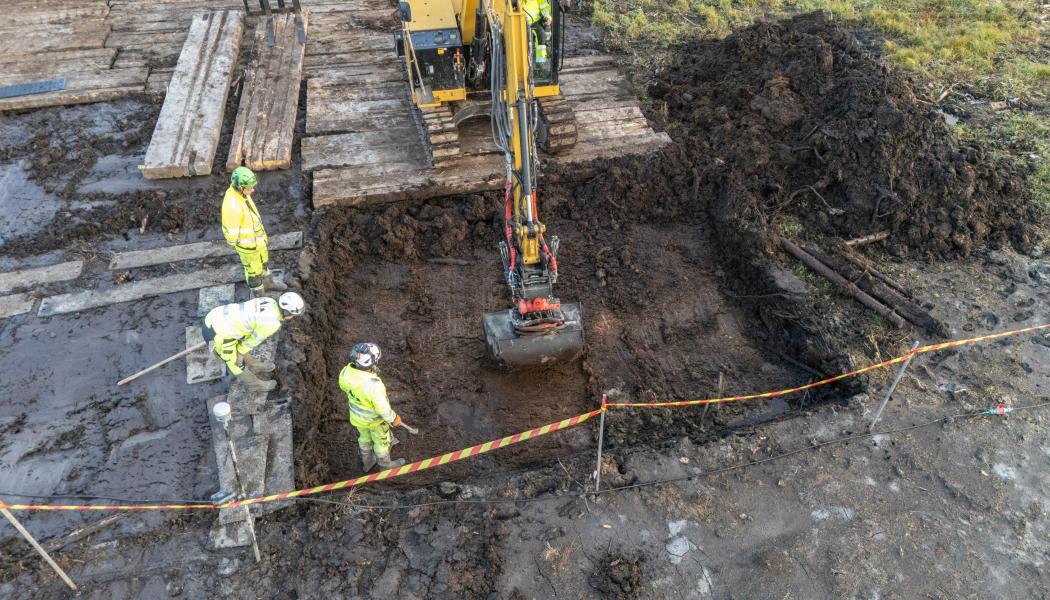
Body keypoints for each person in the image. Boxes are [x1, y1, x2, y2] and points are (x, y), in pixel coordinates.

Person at [202, 292, 305, 391]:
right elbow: (251, 342)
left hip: (217, 316)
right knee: (235, 364)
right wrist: (239, 356)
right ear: (286, 313)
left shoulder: (269, 301)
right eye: (292, 315)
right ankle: (257, 386)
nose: (292, 317)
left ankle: (254, 366)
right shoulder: (271, 323)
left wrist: (241, 350)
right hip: (218, 335)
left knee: (240, 348)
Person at [339, 343, 406, 471]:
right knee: (382, 443)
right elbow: (383, 409)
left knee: (364, 439)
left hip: (357, 419)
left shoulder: (345, 372)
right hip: (375, 422)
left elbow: (345, 387)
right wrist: (394, 418)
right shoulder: (373, 385)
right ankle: (385, 466)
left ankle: (368, 462)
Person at [222, 167, 287, 295]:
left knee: (263, 263)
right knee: (253, 271)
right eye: (249, 187)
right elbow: (231, 235)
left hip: (258, 243)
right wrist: (243, 245)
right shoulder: (232, 205)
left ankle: (268, 284)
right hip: (248, 247)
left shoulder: (242, 195)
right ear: (240, 187)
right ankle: (259, 295)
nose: (253, 190)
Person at [523, 0, 552, 79]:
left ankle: (540, 65)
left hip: (535, 22)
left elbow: (544, 7)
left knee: (541, 37)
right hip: (519, 22)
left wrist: (548, 17)